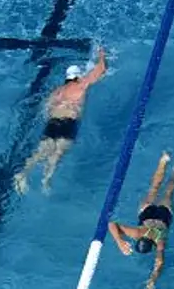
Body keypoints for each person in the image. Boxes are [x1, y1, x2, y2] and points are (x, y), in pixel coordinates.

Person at [14, 46, 110, 193]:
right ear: (78, 76)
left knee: (42, 151)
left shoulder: (57, 91)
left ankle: (22, 173)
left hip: (52, 123)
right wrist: (102, 55)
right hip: (68, 122)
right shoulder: (81, 84)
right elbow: (101, 70)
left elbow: (45, 109)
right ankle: (46, 180)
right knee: (59, 152)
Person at [107, 151, 174, 289]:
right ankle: (163, 160)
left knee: (169, 191)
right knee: (154, 188)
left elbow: (159, 263)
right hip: (147, 213)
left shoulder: (159, 242)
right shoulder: (137, 232)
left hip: (164, 216)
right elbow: (112, 224)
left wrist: (151, 281)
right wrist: (119, 241)